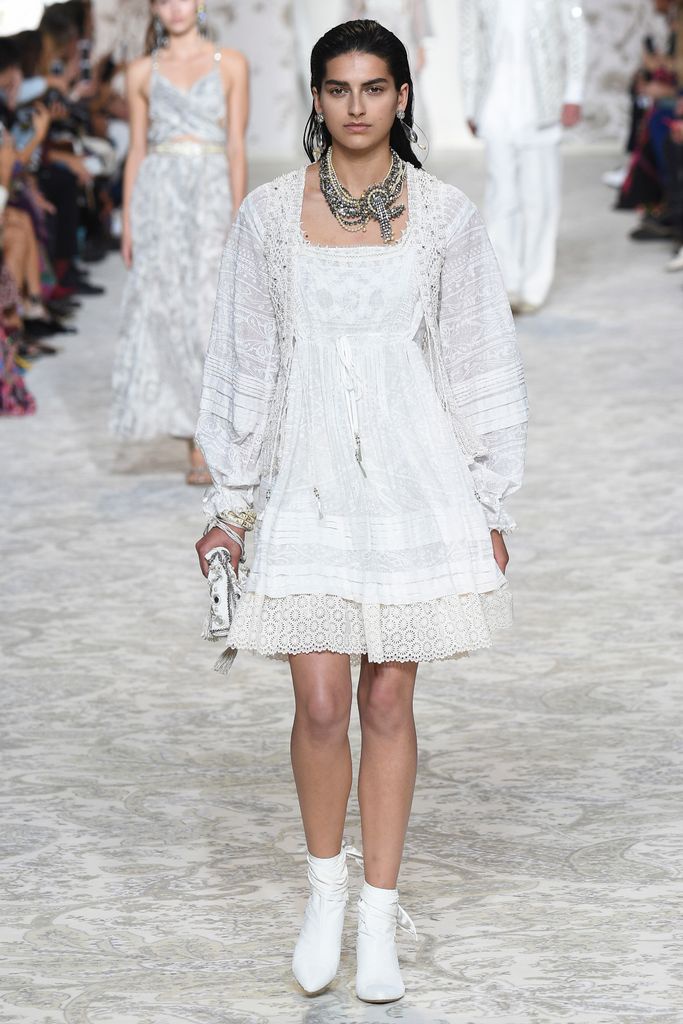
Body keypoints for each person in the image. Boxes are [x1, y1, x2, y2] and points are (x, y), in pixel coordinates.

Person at [194, 19, 528, 1003]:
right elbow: (246, 360)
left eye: (373, 88)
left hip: (411, 478)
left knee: (385, 699)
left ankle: (377, 913)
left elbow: (476, 358)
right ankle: (323, 895)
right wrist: (231, 502)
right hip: (306, 478)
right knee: (317, 701)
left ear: (401, 97)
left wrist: (490, 497)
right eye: (336, 88)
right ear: (314, 98)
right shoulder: (268, 216)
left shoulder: (443, 215)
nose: (355, 106)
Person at [110, 0, 248, 485]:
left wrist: (239, 216)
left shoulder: (231, 64)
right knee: (167, 308)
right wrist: (129, 221)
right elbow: (136, 150)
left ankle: (211, 428)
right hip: (160, 196)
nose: (175, 8)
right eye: (164, 0)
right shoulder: (139, 72)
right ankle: (192, 432)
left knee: (209, 308)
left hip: (210, 192)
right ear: (154, 8)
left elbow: (236, 146)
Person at [460, 0, 587, 313]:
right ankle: (506, 283)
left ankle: (534, 285)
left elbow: (576, 30)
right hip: (495, 102)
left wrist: (574, 93)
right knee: (501, 197)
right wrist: (470, 102)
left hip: (541, 101)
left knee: (540, 198)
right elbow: (469, 41)